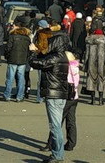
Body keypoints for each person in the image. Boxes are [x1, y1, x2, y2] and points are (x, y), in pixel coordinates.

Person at [29, 31, 70, 163]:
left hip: (54, 94)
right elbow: (44, 60)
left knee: (55, 125)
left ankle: (58, 155)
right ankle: (57, 153)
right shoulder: (63, 56)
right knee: (56, 124)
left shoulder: (55, 57)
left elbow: (38, 63)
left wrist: (32, 53)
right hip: (60, 93)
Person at [1, 16, 31, 102]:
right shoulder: (27, 38)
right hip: (22, 60)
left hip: (12, 59)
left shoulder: (12, 36)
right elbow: (29, 50)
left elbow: (8, 48)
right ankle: (19, 96)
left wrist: (7, 56)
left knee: (10, 78)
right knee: (21, 79)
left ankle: (7, 95)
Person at [83, 28, 105, 105]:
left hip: (91, 65)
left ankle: (93, 100)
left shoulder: (89, 44)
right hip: (101, 66)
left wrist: (85, 65)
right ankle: (101, 100)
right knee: (101, 81)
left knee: (91, 81)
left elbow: (86, 56)